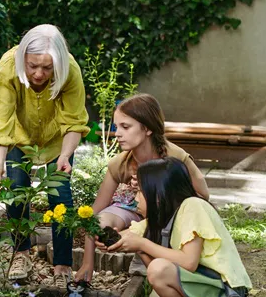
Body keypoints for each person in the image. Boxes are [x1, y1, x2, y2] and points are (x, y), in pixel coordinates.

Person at [0, 24, 89, 288]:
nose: (39, 73)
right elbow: (0, 116)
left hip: (57, 140)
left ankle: (63, 263)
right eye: (32, 66)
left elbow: (75, 122)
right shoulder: (9, 65)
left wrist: (65, 155)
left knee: (60, 195)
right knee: (17, 189)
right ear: (23, 60)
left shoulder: (70, 70)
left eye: (47, 67)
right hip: (19, 136)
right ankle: (21, 253)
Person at [108, 157, 251, 297]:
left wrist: (142, 244)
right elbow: (125, 236)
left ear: (158, 194)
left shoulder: (193, 206)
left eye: (140, 192)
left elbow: (188, 262)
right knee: (151, 258)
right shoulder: (166, 218)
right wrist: (105, 239)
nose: (136, 199)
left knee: (159, 268)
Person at [75, 93, 209, 283]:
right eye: (116, 126)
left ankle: (157, 260)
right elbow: (95, 212)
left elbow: (203, 196)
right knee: (101, 221)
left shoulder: (176, 157)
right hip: (132, 211)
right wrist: (88, 262)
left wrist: (155, 189)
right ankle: (138, 249)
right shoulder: (119, 164)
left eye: (125, 127)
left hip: (168, 215)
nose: (117, 133)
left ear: (147, 128)